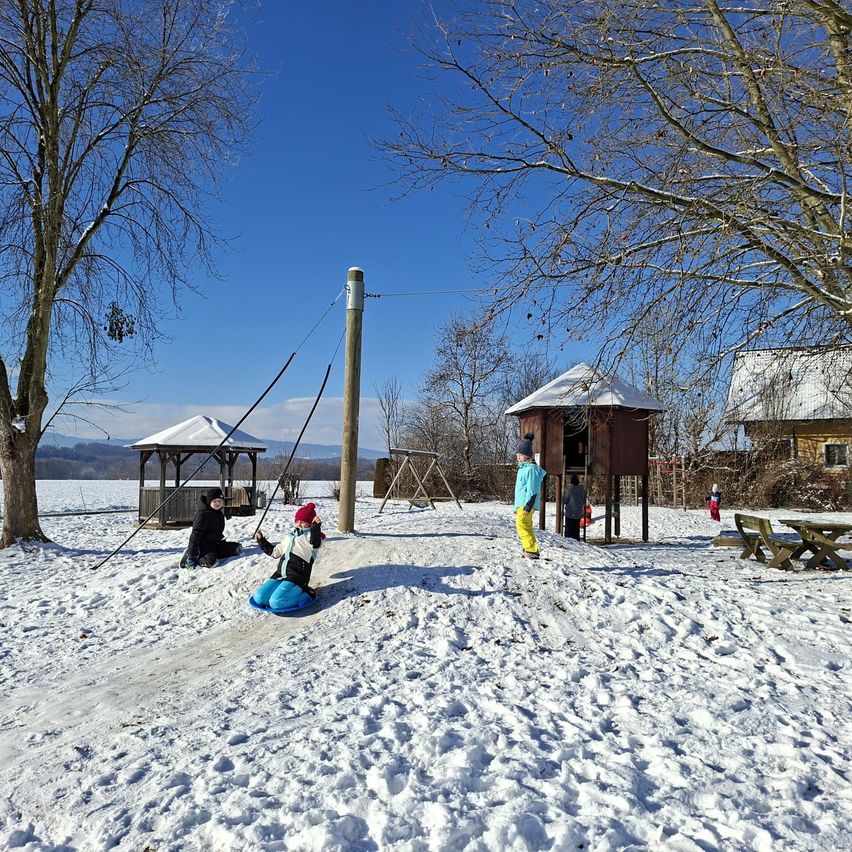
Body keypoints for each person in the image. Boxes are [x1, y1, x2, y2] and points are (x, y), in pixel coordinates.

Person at [251, 502, 325, 609]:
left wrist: (315, 528)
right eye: (297, 521)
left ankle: (306, 594)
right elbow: (275, 552)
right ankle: (283, 593)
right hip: (280, 574)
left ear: (309, 523)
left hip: (297, 577)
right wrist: (261, 540)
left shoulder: (310, 536)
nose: (299, 524)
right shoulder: (289, 537)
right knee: (259, 598)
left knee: (276, 602)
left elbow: (315, 542)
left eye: (303, 522)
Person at [179, 486, 242, 568]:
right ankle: (193, 556)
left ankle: (213, 553)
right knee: (212, 562)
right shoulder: (203, 515)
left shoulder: (218, 513)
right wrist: (192, 555)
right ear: (209, 502)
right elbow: (195, 535)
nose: (218, 503)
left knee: (236, 548)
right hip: (202, 547)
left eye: (220, 501)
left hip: (215, 544)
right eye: (215, 501)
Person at [514, 432, 547, 559]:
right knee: (525, 525)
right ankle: (530, 549)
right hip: (521, 504)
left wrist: (528, 506)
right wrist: (516, 508)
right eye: (517, 455)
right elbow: (520, 490)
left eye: (520, 455)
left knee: (522, 525)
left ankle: (531, 549)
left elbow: (532, 490)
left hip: (527, 504)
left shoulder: (531, 470)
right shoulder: (523, 469)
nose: (518, 457)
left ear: (527, 456)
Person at [562, 473, 587, 541]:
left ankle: (568, 542)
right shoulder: (583, 490)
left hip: (570, 512)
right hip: (578, 512)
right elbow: (584, 501)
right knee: (576, 529)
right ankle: (577, 540)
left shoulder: (569, 489)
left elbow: (565, 500)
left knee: (569, 529)